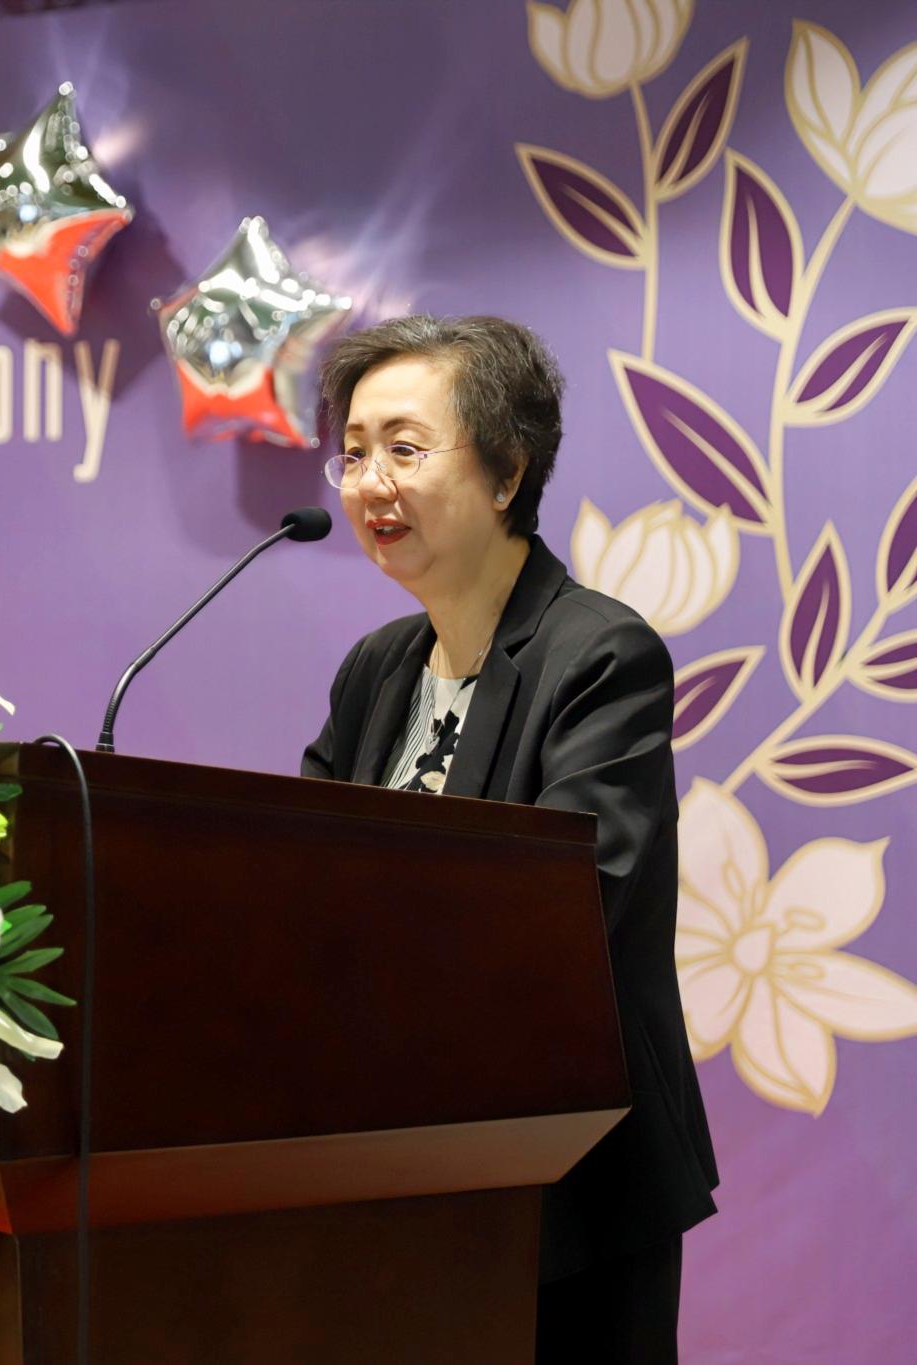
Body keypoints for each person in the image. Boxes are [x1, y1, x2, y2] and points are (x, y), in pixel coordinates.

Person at [299, 315, 719, 1362]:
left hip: (566, 1184)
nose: (369, 482)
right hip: (393, 1173)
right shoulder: (375, 669)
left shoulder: (599, 656)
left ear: (506, 473)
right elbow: (295, 876)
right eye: (353, 452)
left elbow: (574, 901)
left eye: (404, 448)